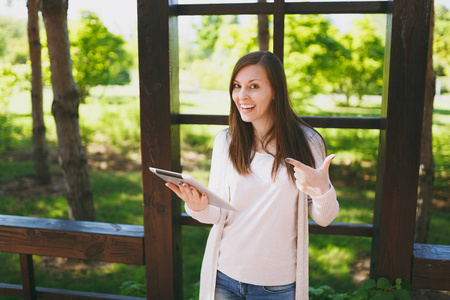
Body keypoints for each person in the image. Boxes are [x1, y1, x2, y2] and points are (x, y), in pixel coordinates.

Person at [166, 51, 339, 300]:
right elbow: (216, 215)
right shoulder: (226, 141)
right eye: (237, 86)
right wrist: (196, 206)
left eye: (253, 86)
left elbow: (324, 218)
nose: (241, 95)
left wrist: (324, 192)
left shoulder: (307, 142)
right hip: (224, 276)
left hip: (277, 285)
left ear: (275, 91)